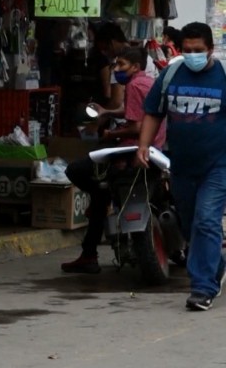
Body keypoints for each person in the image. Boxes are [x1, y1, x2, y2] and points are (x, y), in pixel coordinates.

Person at [138, 22, 226, 311]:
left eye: (198, 51)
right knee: (189, 224)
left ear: (210, 50)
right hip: (181, 166)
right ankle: (216, 265)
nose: (192, 55)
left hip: (218, 165)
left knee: (206, 221)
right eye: (187, 50)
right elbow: (153, 112)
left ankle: (202, 288)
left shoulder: (223, 76)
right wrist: (143, 145)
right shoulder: (171, 73)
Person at [61, 45, 166, 274]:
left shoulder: (134, 86)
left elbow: (138, 126)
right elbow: (136, 113)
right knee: (100, 195)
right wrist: (107, 112)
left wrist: (111, 134)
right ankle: (89, 252)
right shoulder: (148, 83)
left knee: (76, 171)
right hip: (152, 149)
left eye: (121, 65)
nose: (116, 69)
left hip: (132, 149)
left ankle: (90, 251)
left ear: (135, 67)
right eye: (115, 64)